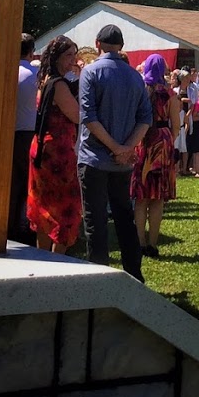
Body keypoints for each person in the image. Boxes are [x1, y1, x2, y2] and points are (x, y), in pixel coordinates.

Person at [78, 24, 151, 280]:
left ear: (97, 43)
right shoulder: (134, 76)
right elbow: (145, 118)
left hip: (95, 158)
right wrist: (127, 147)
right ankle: (134, 274)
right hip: (122, 162)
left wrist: (116, 147)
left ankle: (98, 279)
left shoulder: (90, 72)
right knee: (124, 217)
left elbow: (88, 117)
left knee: (95, 221)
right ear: (121, 46)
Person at [27, 36, 82, 254]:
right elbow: (77, 116)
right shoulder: (59, 84)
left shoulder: (45, 80)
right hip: (57, 150)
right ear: (57, 57)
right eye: (68, 55)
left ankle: (42, 256)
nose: (73, 60)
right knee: (66, 207)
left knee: (44, 206)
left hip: (42, 146)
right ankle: (58, 257)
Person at [131, 54, 181, 257]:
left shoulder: (139, 91)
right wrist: (168, 140)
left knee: (141, 197)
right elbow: (176, 126)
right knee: (157, 198)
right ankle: (152, 243)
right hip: (162, 141)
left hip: (142, 140)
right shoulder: (170, 94)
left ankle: (140, 242)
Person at [10, 34, 39, 241]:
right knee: (28, 183)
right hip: (29, 133)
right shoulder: (34, 75)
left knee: (11, 184)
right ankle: (26, 226)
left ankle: (9, 224)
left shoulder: (7, 73)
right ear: (31, 52)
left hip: (7, 132)